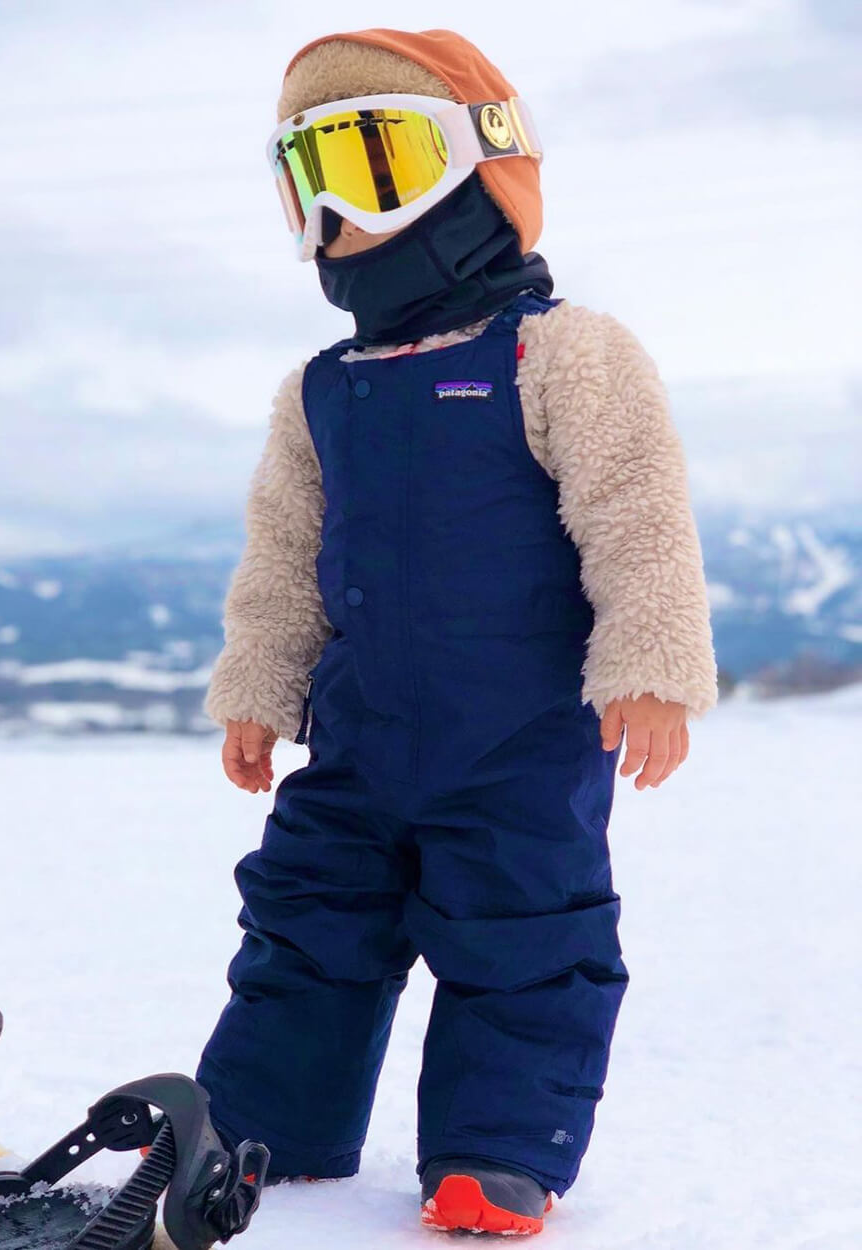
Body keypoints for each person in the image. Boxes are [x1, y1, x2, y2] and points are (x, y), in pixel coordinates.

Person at [198, 27, 718, 1237]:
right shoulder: (319, 390)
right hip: (358, 739)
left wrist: (650, 665)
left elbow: (636, 511)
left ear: (481, 169)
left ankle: (494, 1152)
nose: (336, 212)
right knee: (305, 921)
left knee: (522, 934)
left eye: (368, 163)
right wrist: (258, 687)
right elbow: (282, 558)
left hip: (516, 745)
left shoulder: (561, 352)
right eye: (305, 178)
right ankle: (264, 1121)